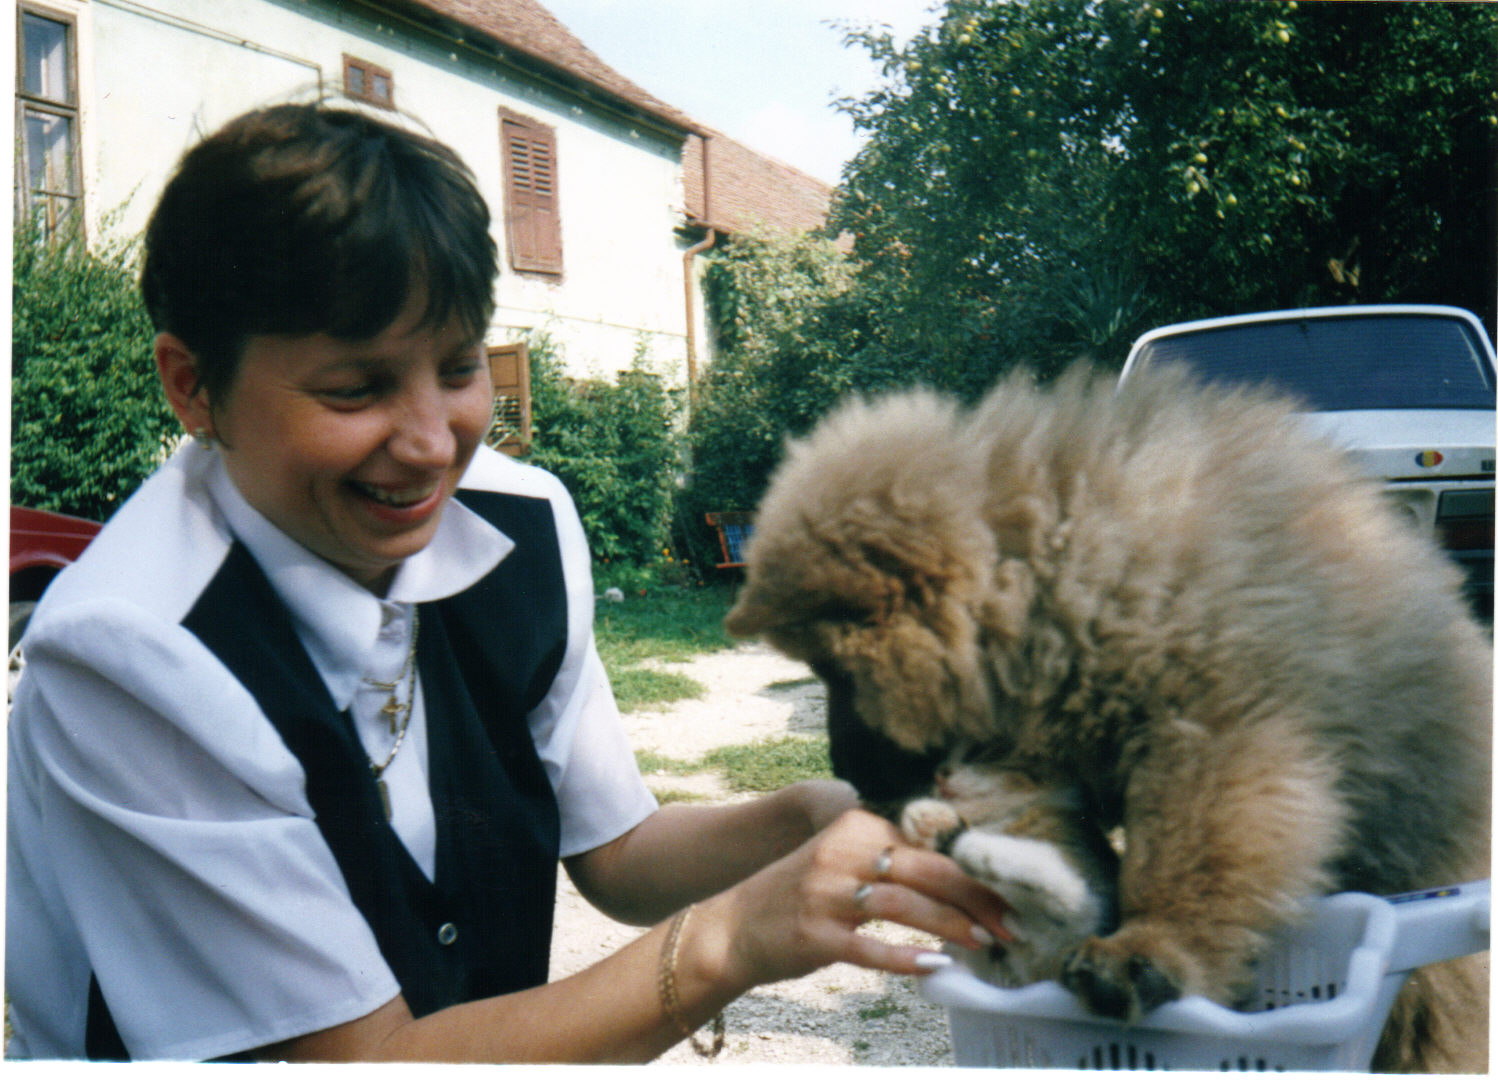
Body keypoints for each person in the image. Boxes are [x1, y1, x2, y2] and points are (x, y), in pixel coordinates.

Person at [5, 102, 1010, 1062]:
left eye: (457, 367)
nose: (430, 443)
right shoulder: (132, 653)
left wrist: (820, 815)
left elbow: (618, 852)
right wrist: (730, 939)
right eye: (354, 388)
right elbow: (361, 1061)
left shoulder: (518, 523)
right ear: (192, 384)